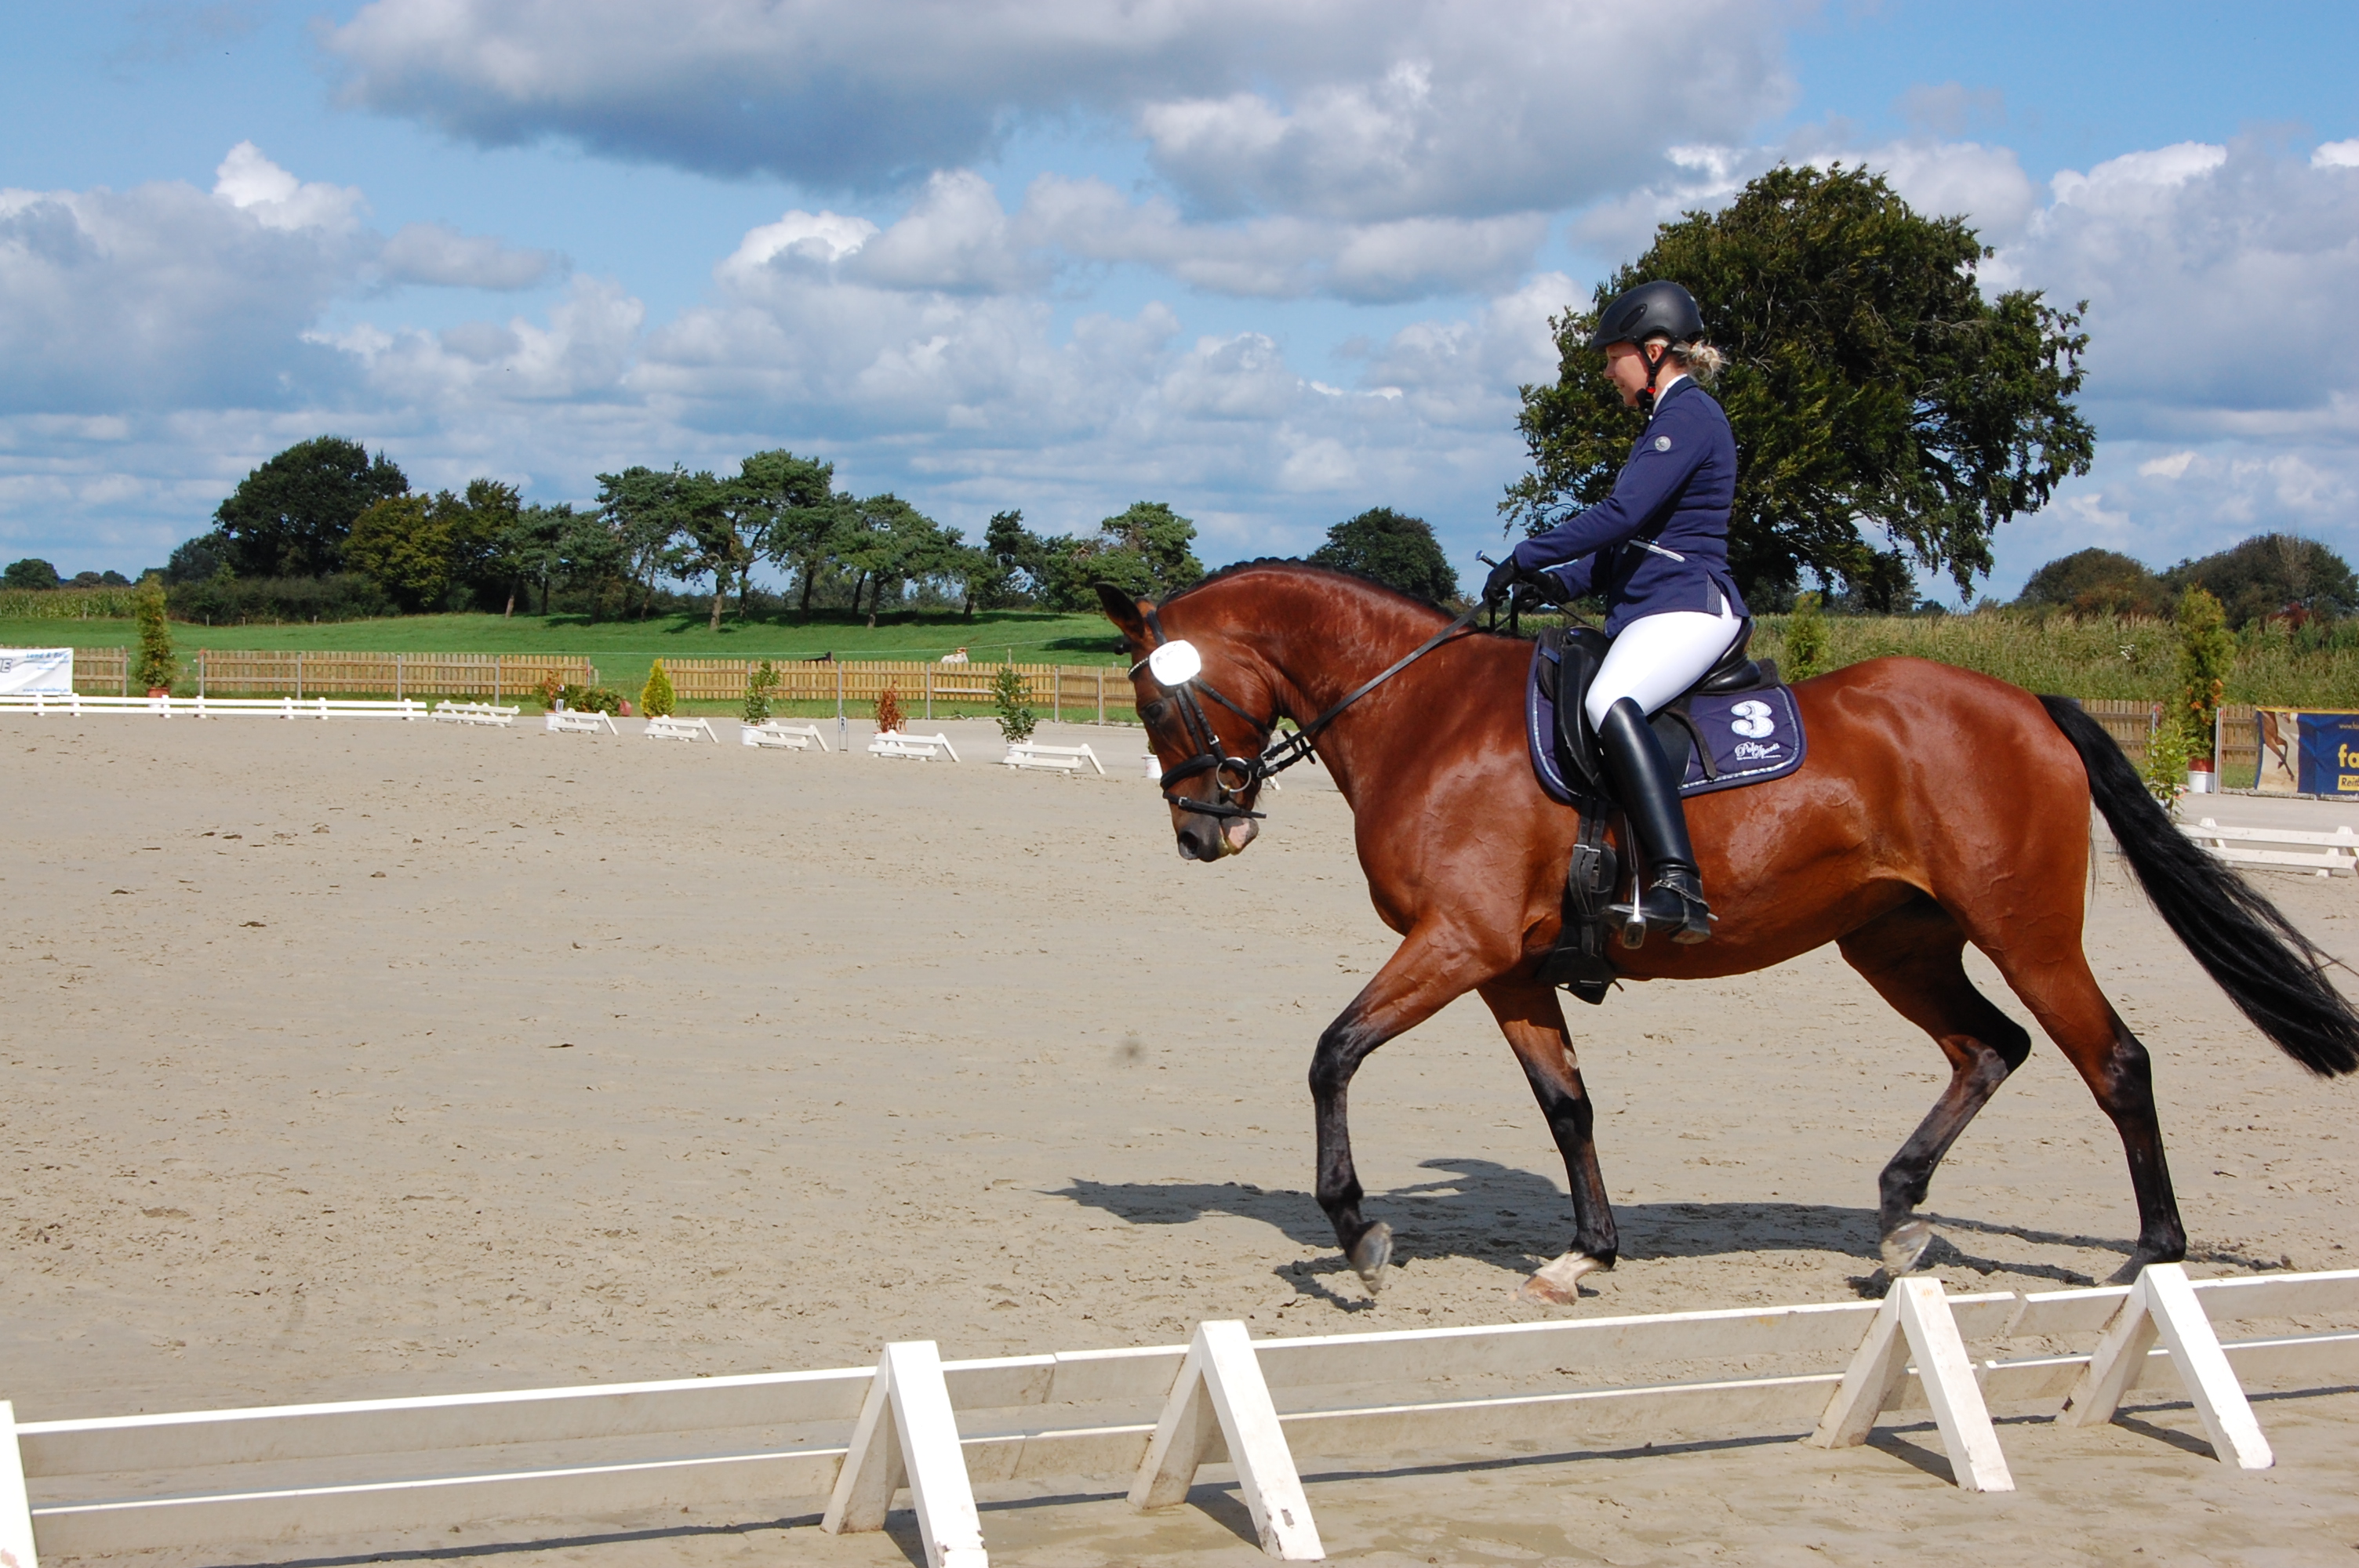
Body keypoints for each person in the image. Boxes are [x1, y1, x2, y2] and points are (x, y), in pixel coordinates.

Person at [1485, 280, 1747, 945]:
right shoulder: (1666, 422)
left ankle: (1679, 884)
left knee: (1609, 701)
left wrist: (1528, 552)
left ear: (1655, 351)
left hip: (1688, 605)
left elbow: (1620, 516)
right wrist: (1553, 585)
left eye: (1614, 356)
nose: (1608, 371)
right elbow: (1629, 546)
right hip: (1653, 604)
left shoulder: (1688, 415)